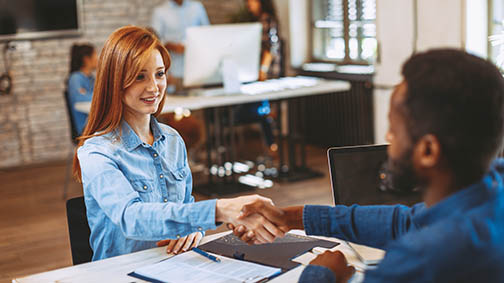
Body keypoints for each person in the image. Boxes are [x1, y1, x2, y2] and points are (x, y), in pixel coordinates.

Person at [230, 49, 504, 282]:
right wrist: (292, 217)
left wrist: (320, 276)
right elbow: (408, 222)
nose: (388, 138)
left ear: (428, 151)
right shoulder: (492, 188)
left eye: (394, 131)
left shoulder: (420, 260)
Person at [72, 26, 284, 261]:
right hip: (120, 272)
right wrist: (219, 210)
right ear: (115, 81)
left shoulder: (172, 140)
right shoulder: (97, 152)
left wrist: (194, 230)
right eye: (140, 76)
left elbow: (185, 206)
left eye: (159, 74)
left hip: (176, 263)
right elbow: (131, 217)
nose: (154, 87)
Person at [232, 0, 282, 154]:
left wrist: (262, 71)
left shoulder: (266, 19)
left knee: (263, 111)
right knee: (263, 111)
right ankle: (271, 146)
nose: (248, 5)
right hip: (262, 73)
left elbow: (269, 48)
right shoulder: (260, 20)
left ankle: (271, 147)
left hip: (266, 73)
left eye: (251, 1)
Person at [151, 0, 209, 92]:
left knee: (198, 102)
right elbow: (154, 41)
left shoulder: (197, 7)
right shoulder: (160, 11)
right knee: (176, 103)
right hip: (174, 71)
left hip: (197, 69)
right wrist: (170, 45)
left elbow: (207, 33)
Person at [67, 43, 97, 135]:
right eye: (95, 55)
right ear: (86, 59)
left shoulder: (91, 78)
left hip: (95, 124)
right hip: (86, 128)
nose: (98, 59)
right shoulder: (75, 78)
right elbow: (79, 99)